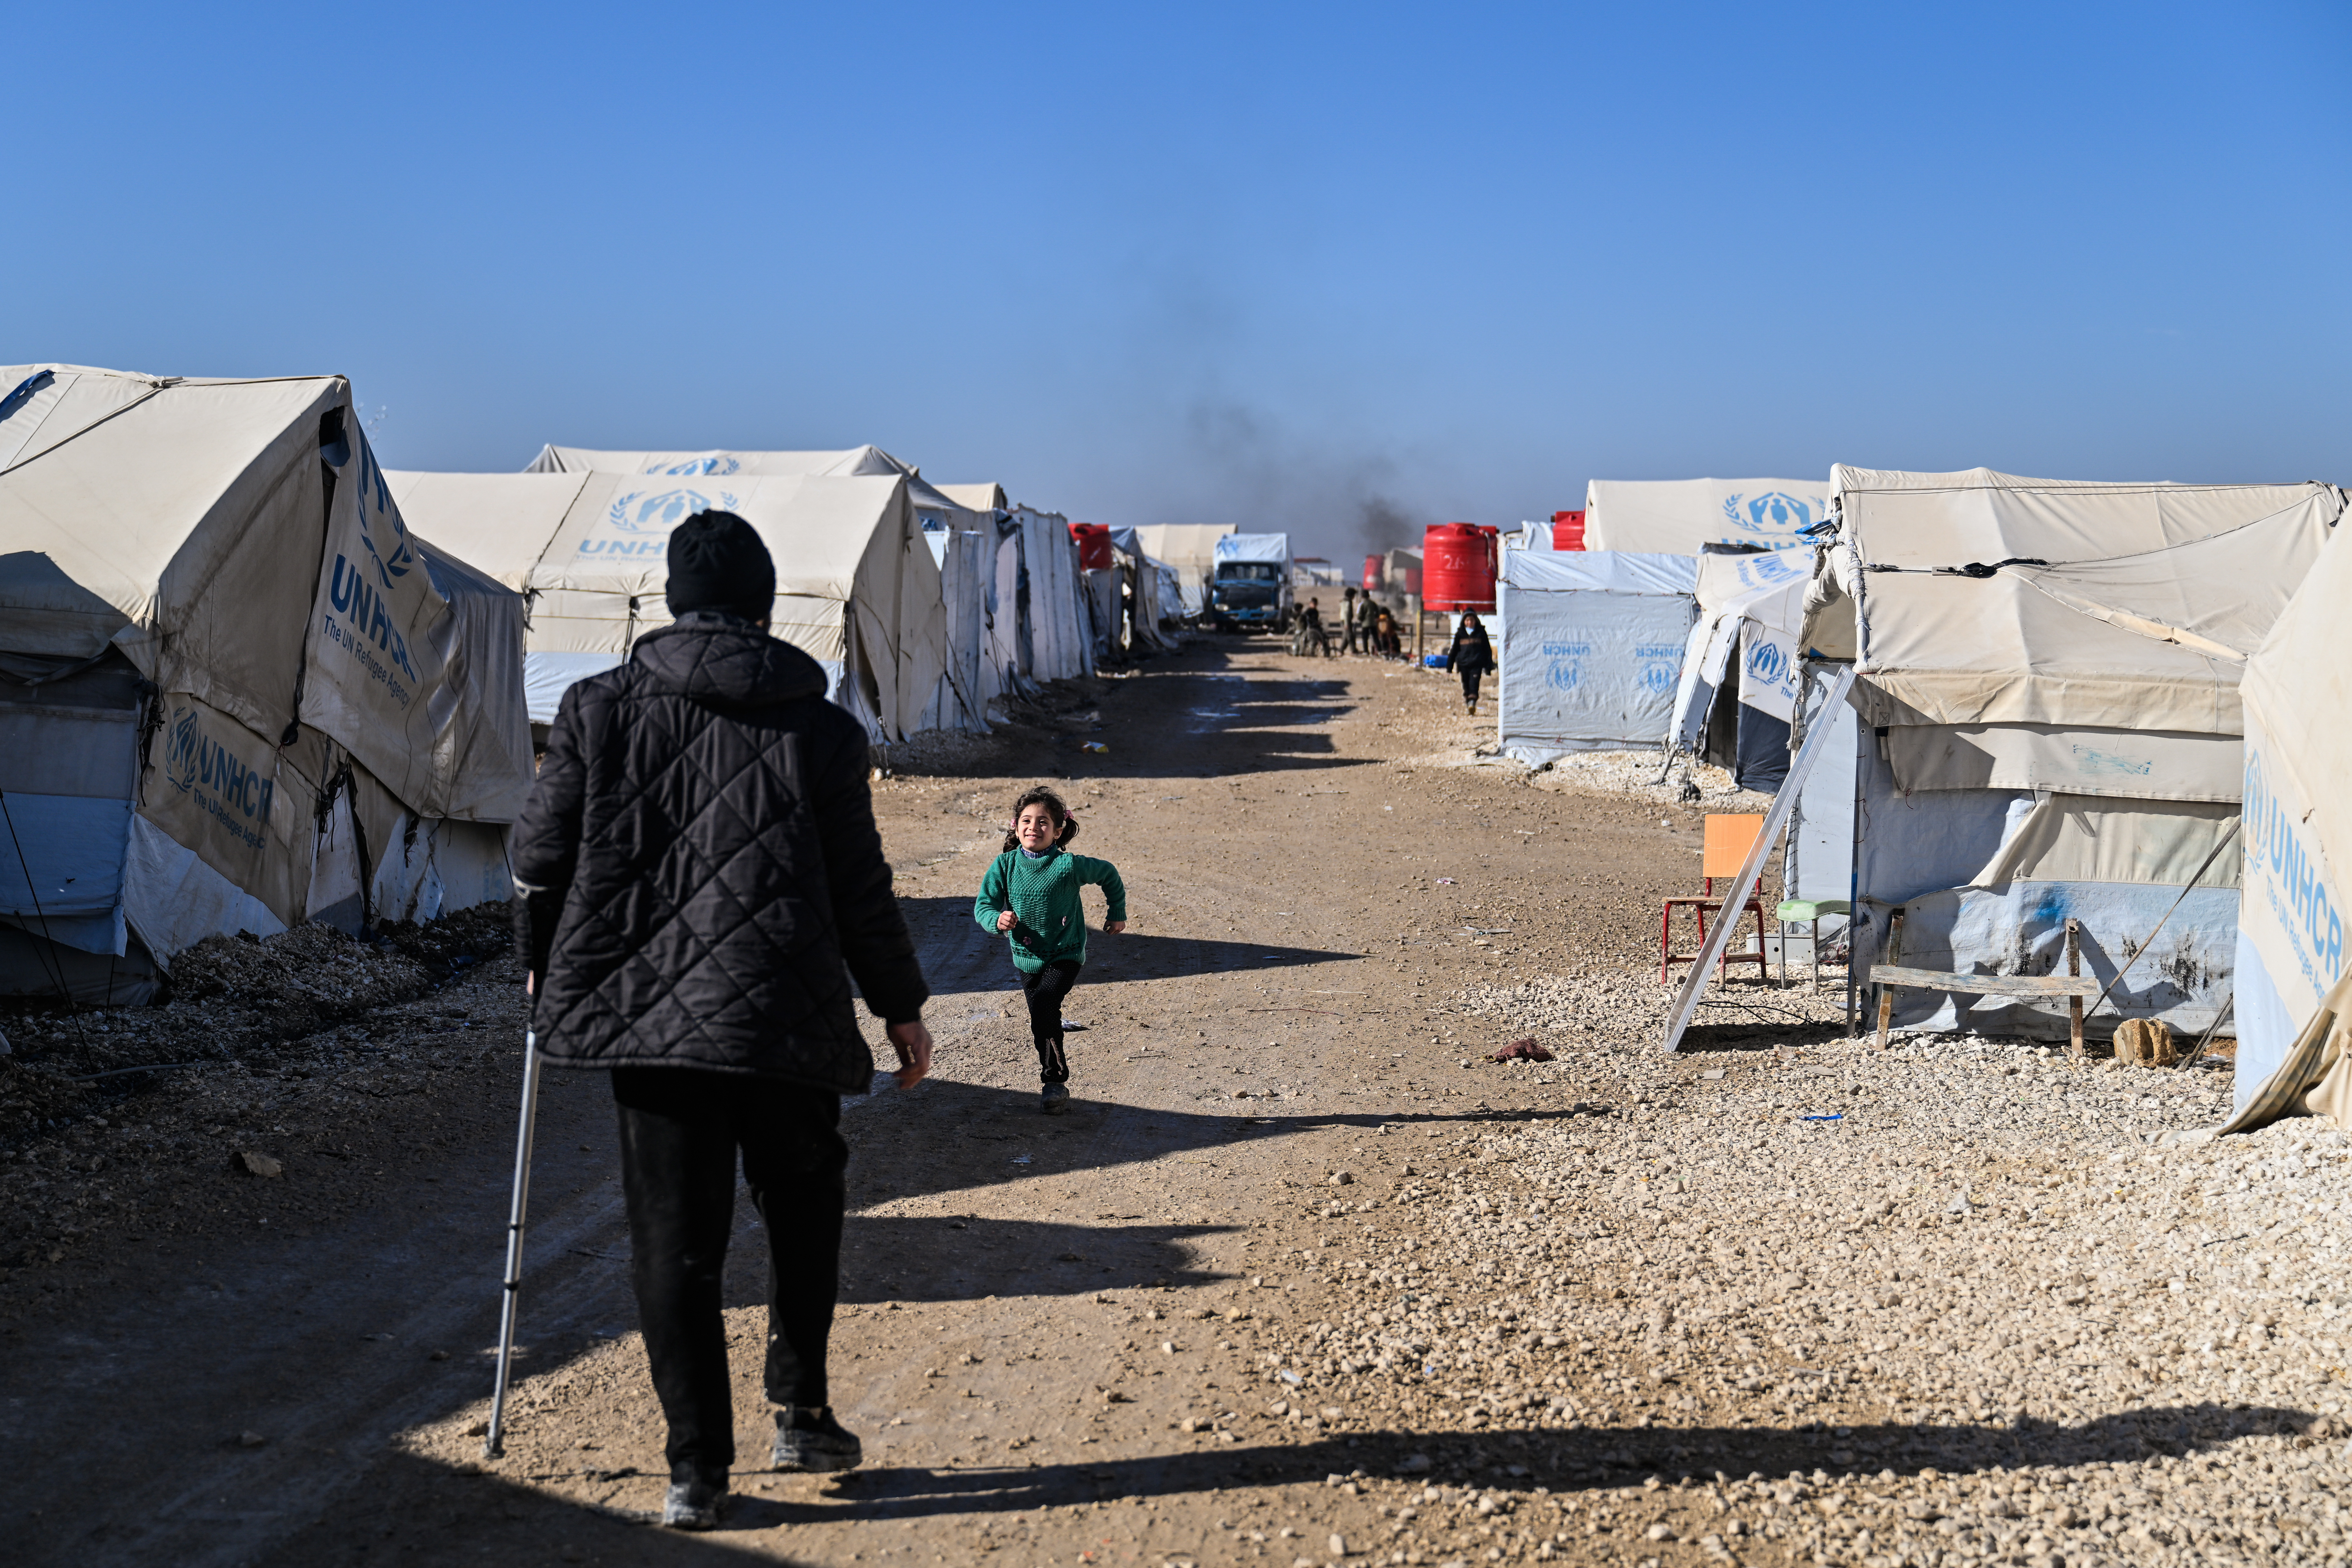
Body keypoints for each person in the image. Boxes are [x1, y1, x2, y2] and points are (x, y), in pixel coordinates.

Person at [510, 511, 934, 1532]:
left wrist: (537, 963)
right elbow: (859, 886)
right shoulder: (823, 728)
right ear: (763, 602)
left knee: (674, 1237)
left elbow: (537, 855)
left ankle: (696, 1470)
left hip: (649, 1016)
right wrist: (901, 1005)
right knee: (802, 1202)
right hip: (786, 1008)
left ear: (670, 599)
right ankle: (802, 1408)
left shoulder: (596, 706)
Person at [973, 788, 1128, 1114]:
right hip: (1027, 957)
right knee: (1042, 1018)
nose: (1034, 827)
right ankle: (1054, 1083)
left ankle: (1054, 1080)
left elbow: (1108, 874)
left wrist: (1117, 912)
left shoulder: (1068, 865)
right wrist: (996, 919)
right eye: (1027, 821)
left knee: (1045, 1003)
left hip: (1065, 953)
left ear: (1058, 831)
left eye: (1043, 822)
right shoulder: (1005, 865)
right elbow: (984, 905)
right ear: (1016, 827)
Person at [1446, 611, 1495, 715]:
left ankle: (1472, 703)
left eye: (1472, 620)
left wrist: (1488, 666)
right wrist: (1449, 668)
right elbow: (1454, 651)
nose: (1470, 623)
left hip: (1476, 664)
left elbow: (1487, 650)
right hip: (1463, 664)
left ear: (1475, 621)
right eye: (1467, 620)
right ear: (1464, 622)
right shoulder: (1460, 634)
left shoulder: (1481, 633)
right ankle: (1469, 704)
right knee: (1466, 685)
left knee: (1474, 684)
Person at [1339, 586, 1362, 654]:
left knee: (1346, 636)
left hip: (1344, 620)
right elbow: (1346, 613)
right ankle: (1353, 650)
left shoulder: (1344, 601)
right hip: (1346, 621)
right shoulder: (1348, 603)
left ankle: (1341, 650)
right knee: (1350, 636)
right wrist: (1346, 623)